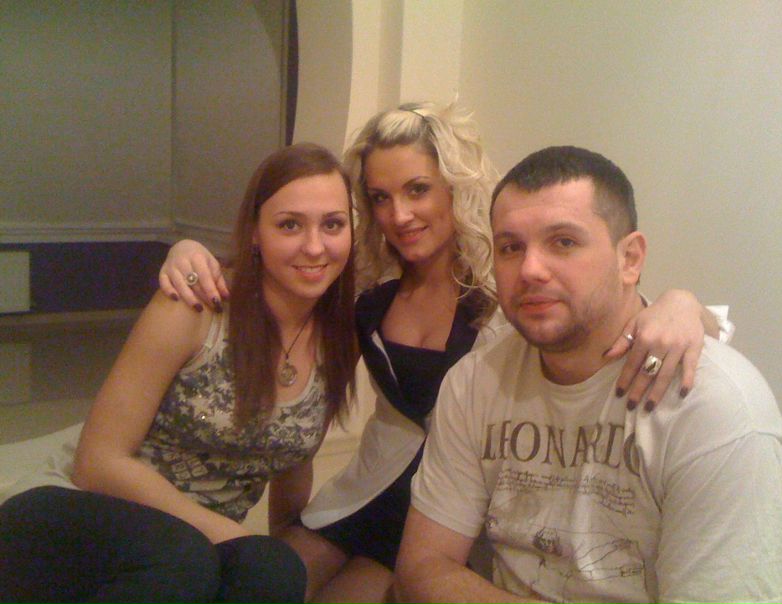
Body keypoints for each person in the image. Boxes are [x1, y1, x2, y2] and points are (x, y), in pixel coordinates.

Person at [158, 103, 730, 603]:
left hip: (445, 516)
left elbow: (623, 314)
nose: (399, 215)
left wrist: (683, 303)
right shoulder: (367, 291)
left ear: (453, 186)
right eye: (380, 197)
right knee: (254, 586)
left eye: (417, 189)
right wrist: (187, 249)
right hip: (365, 491)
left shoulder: (510, 290)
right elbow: (280, 291)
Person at [394, 146, 782, 603]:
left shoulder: (717, 411)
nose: (530, 269)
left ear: (630, 259)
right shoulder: (474, 382)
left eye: (563, 241)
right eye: (510, 248)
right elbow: (422, 568)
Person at [0, 143, 359, 604]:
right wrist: (232, 536)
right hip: (74, 508)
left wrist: (275, 552)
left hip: (193, 551)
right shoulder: (196, 306)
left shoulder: (339, 337)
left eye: (333, 224)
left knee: (275, 570)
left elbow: (293, 460)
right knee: (181, 558)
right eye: (289, 224)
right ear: (255, 232)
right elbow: (98, 461)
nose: (314, 246)